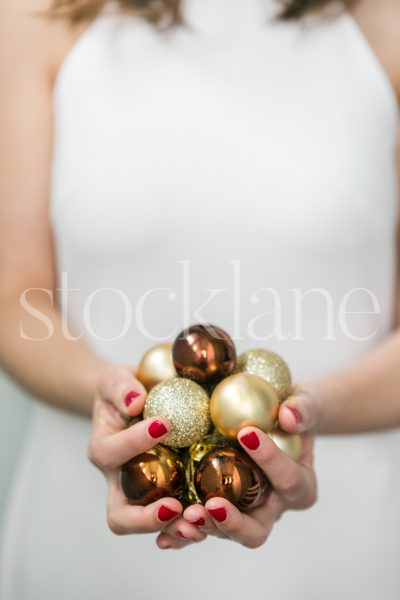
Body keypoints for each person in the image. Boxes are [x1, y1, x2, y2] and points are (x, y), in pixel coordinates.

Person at [0, 0, 399, 598]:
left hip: (347, 547)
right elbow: (15, 302)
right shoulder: (40, 16)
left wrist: (305, 413)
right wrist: (112, 397)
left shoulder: (381, 20)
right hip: (84, 552)